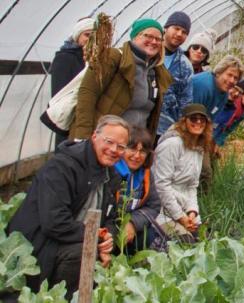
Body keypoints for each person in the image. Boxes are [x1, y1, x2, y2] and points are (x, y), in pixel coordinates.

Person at [7, 115, 128, 297]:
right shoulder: (62, 167)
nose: (113, 150)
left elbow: (112, 216)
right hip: (36, 246)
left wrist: (108, 237)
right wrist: (95, 237)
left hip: (73, 239)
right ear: (94, 136)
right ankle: (60, 297)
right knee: (81, 254)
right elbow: (54, 222)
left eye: (121, 147)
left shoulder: (110, 174)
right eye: (109, 142)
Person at [70, 18, 172, 140]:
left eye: (158, 39)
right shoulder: (113, 57)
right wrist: (82, 136)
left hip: (132, 146)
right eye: (148, 36)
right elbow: (87, 93)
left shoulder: (157, 71)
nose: (154, 41)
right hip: (104, 141)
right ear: (135, 37)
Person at [153, 103, 212, 240]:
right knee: (186, 243)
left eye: (202, 120)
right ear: (184, 121)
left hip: (185, 211)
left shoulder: (199, 147)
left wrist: (192, 212)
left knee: (207, 242)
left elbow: (192, 186)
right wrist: (180, 216)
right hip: (162, 209)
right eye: (193, 119)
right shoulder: (172, 144)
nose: (198, 122)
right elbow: (161, 185)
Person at [113, 126, 161, 253]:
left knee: (150, 237)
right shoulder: (110, 171)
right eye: (132, 149)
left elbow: (153, 206)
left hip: (131, 228)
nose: (137, 156)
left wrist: (133, 223)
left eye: (142, 151)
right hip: (110, 228)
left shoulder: (146, 175)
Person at [49, 17, 95, 146]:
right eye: (87, 35)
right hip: (70, 119)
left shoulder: (96, 59)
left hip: (88, 121)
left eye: (95, 36)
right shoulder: (65, 58)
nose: (91, 39)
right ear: (77, 36)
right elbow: (60, 94)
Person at [156, 11, 194, 141]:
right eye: (176, 28)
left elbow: (185, 102)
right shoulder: (150, 51)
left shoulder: (185, 66)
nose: (179, 34)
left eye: (184, 32)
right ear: (166, 28)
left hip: (164, 129)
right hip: (139, 122)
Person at [193, 55, 243, 123]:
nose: (232, 80)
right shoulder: (203, 85)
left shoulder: (224, 93)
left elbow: (210, 120)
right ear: (219, 72)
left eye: (235, 78)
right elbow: (190, 117)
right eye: (229, 75)